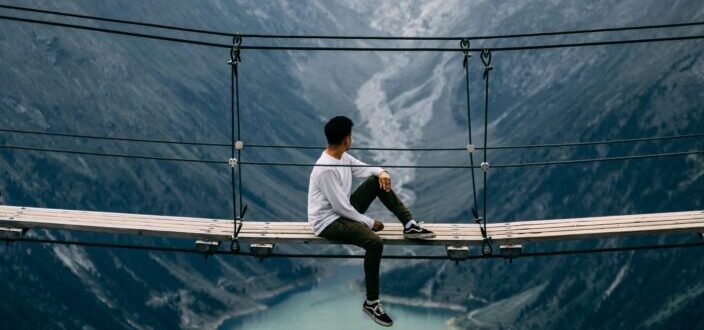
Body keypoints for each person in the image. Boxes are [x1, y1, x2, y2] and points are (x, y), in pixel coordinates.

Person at [307, 115, 435, 327]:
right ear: (347, 139)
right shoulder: (326, 168)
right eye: (351, 135)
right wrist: (369, 222)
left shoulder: (342, 157)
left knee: (376, 181)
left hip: (341, 212)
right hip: (327, 222)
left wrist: (382, 172)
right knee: (375, 243)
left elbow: (367, 169)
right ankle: (372, 303)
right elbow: (340, 207)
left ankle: (409, 224)